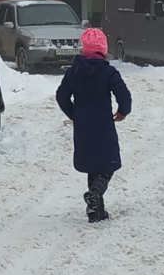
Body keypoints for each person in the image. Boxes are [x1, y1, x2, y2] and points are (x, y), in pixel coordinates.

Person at [55, 26, 131, 223]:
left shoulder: (74, 72)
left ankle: (95, 211)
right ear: (103, 50)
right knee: (108, 164)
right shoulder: (109, 72)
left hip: (83, 125)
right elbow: (124, 95)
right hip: (103, 124)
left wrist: (74, 113)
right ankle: (95, 194)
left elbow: (61, 95)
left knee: (92, 165)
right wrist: (123, 111)